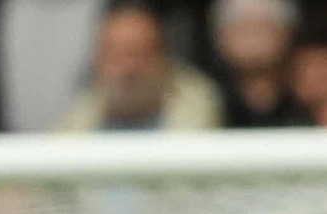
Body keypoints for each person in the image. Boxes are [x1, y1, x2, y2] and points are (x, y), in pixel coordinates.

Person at [51, 4, 223, 131]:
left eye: (140, 54)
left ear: (166, 60)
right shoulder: (71, 129)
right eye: (116, 56)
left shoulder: (201, 127)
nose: (129, 69)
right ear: (97, 61)